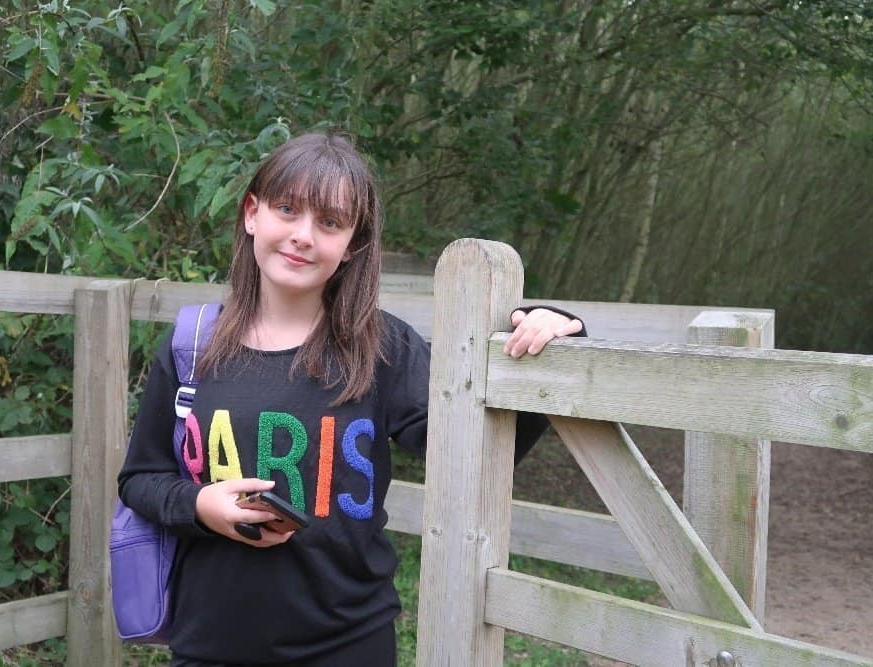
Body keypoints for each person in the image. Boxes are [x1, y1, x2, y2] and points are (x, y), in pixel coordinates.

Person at [117, 131, 586, 666]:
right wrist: (201, 505)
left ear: (352, 245)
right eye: (287, 209)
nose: (302, 236)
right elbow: (140, 479)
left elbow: (474, 453)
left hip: (347, 645)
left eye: (330, 223)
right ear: (252, 213)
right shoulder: (192, 345)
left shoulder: (383, 348)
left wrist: (549, 350)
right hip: (210, 646)